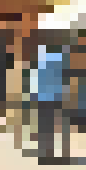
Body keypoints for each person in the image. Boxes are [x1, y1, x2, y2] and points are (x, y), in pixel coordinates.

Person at [30, 33, 71, 162]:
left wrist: (34, 94)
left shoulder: (41, 54)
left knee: (46, 125)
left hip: (45, 96)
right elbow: (66, 77)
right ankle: (63, 152)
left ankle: (46, 152)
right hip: (57, 96)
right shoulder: (63, 55)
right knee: (62, 124)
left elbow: (36, 76)